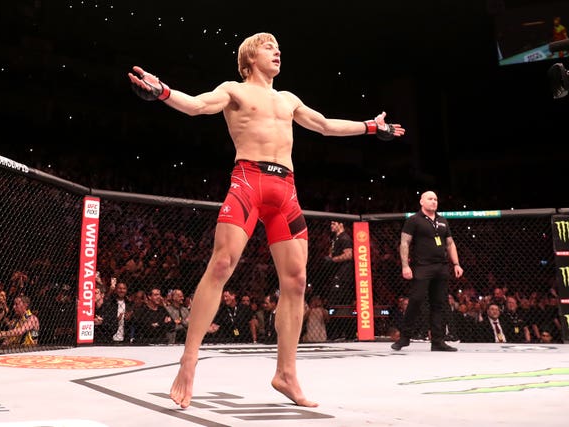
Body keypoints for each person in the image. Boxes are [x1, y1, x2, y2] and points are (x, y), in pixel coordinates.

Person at [128, 31, 404, 408]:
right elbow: (195, 106)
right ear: (249, 59)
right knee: (222, 263)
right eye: (268, 47)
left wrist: (371, 127)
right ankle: (188, 360)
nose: (277, 52)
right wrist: (162, 92)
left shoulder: (288, 99)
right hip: (248, 182)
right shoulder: (234, 90)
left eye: (278, 47)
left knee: (297, 280)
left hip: (286, 190)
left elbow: (324, 125)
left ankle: (286, 373)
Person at [392, 190, 462, 352]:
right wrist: (405, 265)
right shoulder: (414, 220)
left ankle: (437, 341)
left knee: (439, 303)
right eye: (430, 199)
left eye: (436, 199)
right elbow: (404, 243)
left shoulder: (443, 221)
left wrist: (456, 263)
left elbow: (450, 244)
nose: (434, 201)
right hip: (422, 266)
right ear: (421, 201)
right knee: (416, 300)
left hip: (441, 266)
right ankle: (404, 338)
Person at [325, 221, 355, 306]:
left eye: (334, 224)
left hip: (344, 273)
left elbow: (349, 255)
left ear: (341, 225)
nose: (331, 226)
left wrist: (333, 260)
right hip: (337, 271)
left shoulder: (345, 238)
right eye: (331, 224)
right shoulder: (335, 238)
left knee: (341, 297)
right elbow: (332, 253)